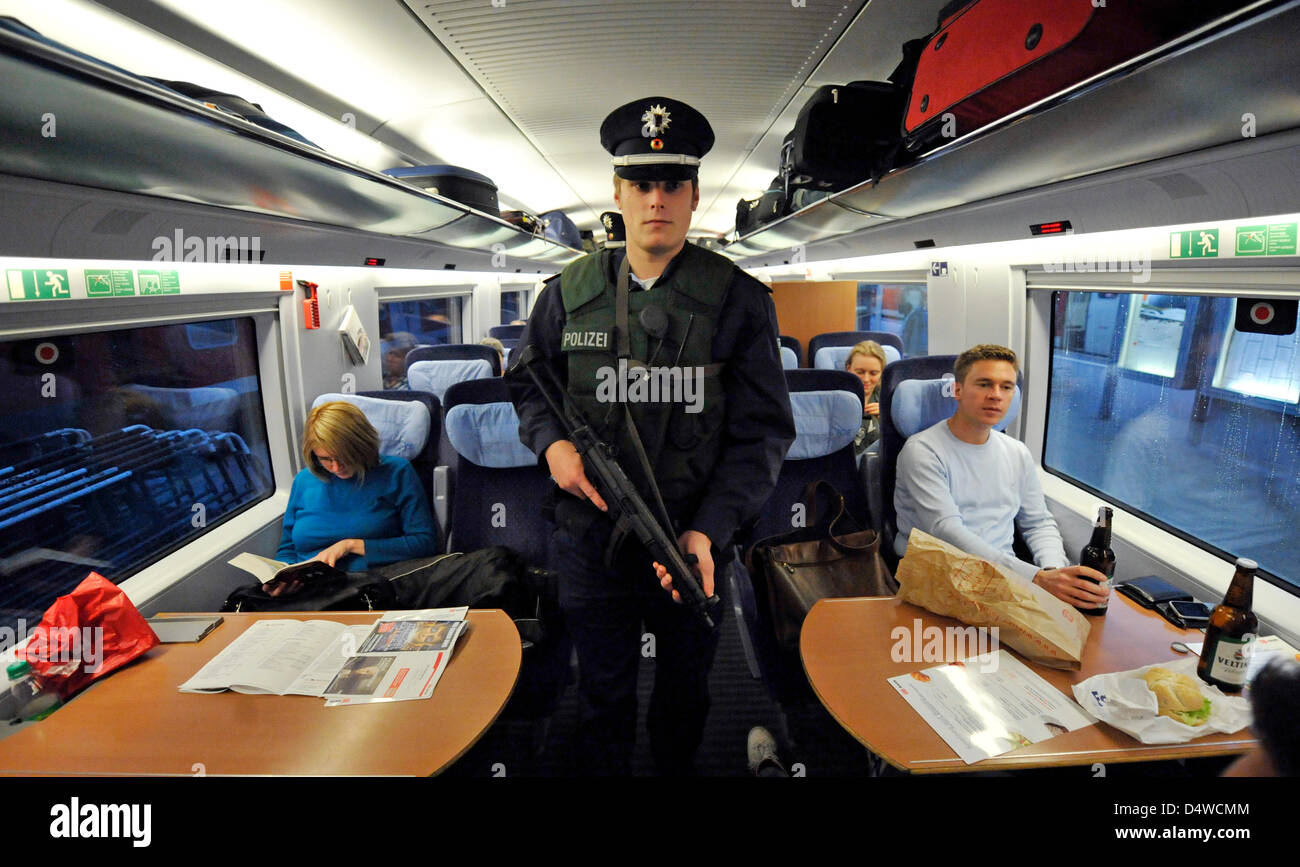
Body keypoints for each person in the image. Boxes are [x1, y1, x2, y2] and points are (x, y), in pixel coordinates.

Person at [509, 96, 795, 775]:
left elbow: (762, 435)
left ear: (694, 196)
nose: (656, 198)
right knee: (603, 695)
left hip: (691, 539)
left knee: (685, 693)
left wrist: (710, 529)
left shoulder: (738, 300)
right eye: (641, 183)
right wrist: (552, 446)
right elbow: (527, 382)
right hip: (590, 540)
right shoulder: (564, 293)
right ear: (617, 192)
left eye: (672, 184)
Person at [893, 344, 1110, 608]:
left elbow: (1038, 523)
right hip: (938, 574)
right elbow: (946, 530)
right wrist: (1035, 578)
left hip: (1004, 576)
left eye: (1006, 387)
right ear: (958, 390)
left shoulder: (1016, 452)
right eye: (984, 384)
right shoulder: (923, 450)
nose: (996, 395)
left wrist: (1053, 570)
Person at [271, 401, 436, 595]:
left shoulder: (397, 472)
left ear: (362, 446)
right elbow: (287, 548)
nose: (336, 467)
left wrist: (351, 545)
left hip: (373, 585)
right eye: (326, 459)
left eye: (344, 457)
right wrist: (283, 579)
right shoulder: (304, 481)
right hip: (309, 591)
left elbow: (424, 543)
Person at [845, 340, 886, 455]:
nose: (866, 379)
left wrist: (886, 419)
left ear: (881, 373)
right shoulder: (836, 398)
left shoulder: (889, 399)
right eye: (860, 372)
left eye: (873, 373)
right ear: (848, 368)